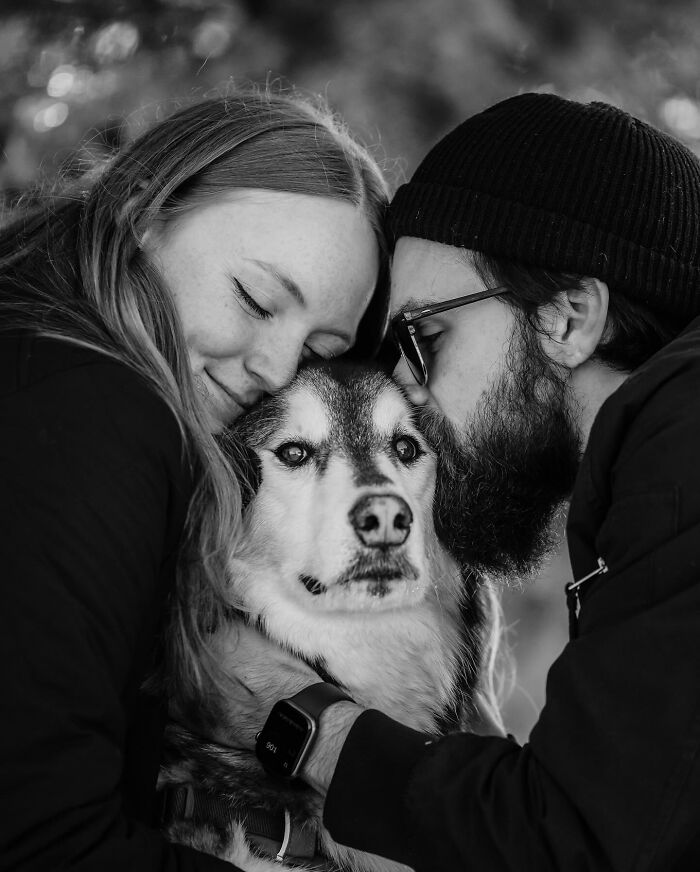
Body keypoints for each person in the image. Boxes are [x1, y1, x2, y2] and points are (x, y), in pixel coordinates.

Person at [230, 93, 700, 871]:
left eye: (423, 337)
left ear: (568, 318)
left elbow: (573, 845)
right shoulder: (655, 468)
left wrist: (289, 709)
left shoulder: (684, 444)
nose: (410, 391)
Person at [0, 88, 390, 870]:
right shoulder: (97, 410)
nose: (275, 368)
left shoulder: (40, 364)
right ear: (146, 210)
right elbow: (38, 839)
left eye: (319, 352)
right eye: (255, 298)